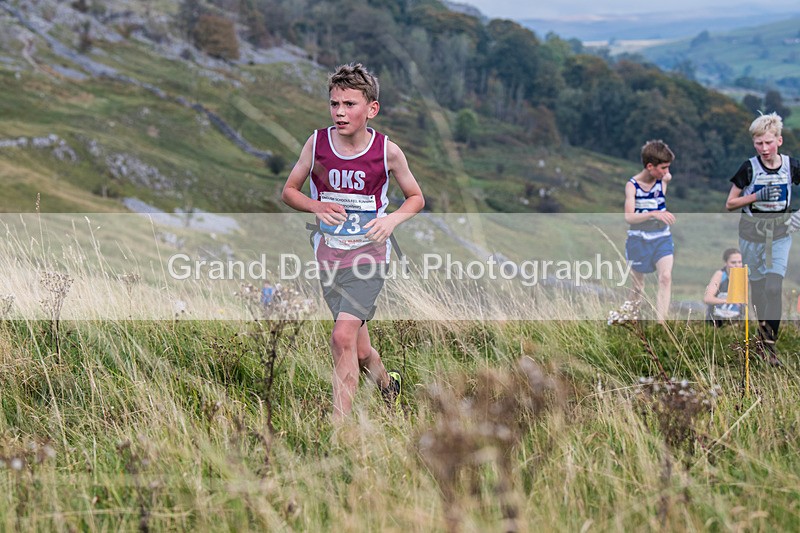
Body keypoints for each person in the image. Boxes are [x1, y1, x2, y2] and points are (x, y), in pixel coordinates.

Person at [281, 63, 425, 421]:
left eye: (349, 104)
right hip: (329, 258)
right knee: (359, 351)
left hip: (369, 258)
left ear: (371, 109)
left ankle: (340, 432)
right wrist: (315, 205)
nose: (340, 112)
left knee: (342, 337)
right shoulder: (316, 144)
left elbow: (415, 198)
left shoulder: (387, 152)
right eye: (334, 104)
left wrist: (391, 220)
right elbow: (288, 191)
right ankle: (388, 387)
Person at [725, 112, 800, 366]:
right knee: (757, 289)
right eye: (759, 143)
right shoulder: (749, 168)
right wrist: (757, 196)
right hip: (751, 234)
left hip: (780, 234)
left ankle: (769, 347)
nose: (764, 148)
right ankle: (761, 335)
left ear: (779, 140)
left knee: (773, 287)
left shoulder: (791, 166)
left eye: (768, 142)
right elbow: (730, 203)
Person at [624, 140, 676, 323]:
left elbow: (667, 176)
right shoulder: (632, 186)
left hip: (662, 237)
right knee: (637, 286)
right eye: (663, 167)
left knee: (665, 277)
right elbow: (629, 217)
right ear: (649, 166)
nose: (666, 172)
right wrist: (653, 214)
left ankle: (662, 323)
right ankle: (630, 320)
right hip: (639, 239)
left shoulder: (664, 179)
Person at [704, 248, 743, 326]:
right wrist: (728, 300)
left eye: (739, 262)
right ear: (726, 262)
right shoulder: (720, 275)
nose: (737, 265)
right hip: (716, 319)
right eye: (733, 262)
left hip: (735, 321)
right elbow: (707, 298)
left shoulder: (742, 276)